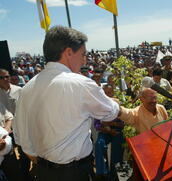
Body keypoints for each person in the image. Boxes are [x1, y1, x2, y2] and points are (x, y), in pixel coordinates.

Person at [13, 26, 120, 181]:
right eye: (83, 54)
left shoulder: (27, 88)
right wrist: (114, 102)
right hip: (75, 173)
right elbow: (110, 112)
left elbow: (22, 140)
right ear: (69, 52)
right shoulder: (79, 83)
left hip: (43, 172)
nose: (85, 60)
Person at [94, 84, 125, 181]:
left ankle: (115, 174)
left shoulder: (119, 104)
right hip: (105, 131)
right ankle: (102, 173)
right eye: (105, 93)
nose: (108, 95)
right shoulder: (99, 105)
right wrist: (109, 128)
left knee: (117, 146)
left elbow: (123, 124)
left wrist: (111, 124)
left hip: (117, 131)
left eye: (110, 92)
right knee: (99, 144)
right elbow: (97, 125)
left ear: (113, 92)